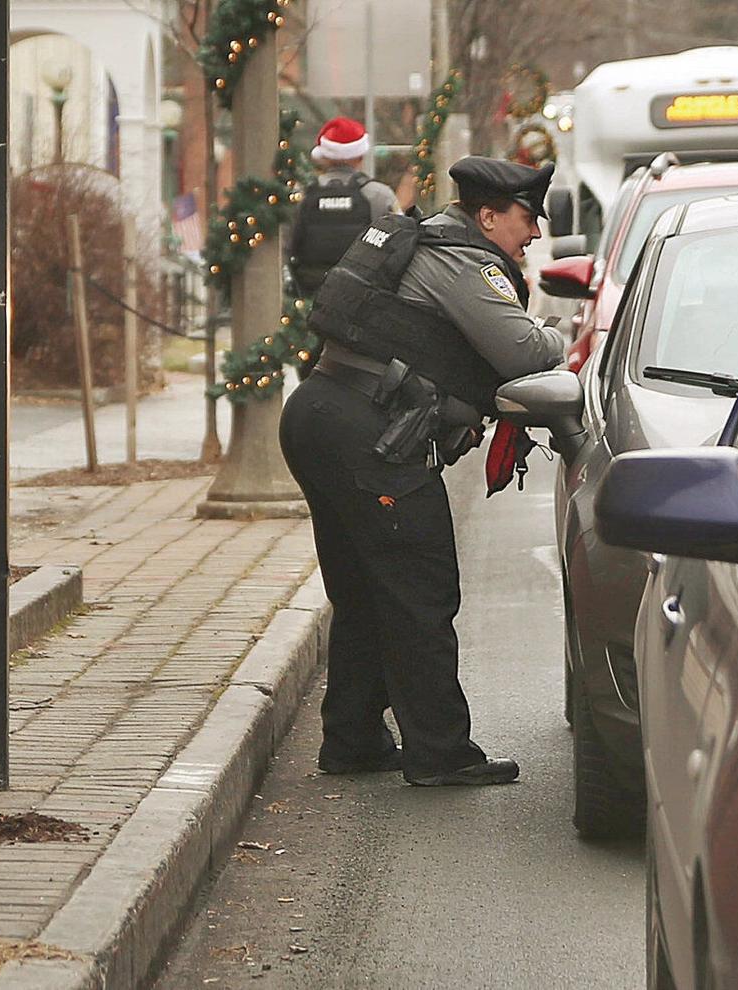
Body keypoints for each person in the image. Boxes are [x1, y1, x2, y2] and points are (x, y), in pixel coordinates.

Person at [279, 156, 564, 786]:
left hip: (324, 414)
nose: (534, 235)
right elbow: (526, 350)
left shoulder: (425, 240)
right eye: (525, 220)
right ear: (488, 216)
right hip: (370, 433)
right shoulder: (463, 261)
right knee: (420, 589)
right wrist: (558, 332)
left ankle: (353, 740)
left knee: (362, 590)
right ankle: (440, 751)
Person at [287, 116, 400, 294]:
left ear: (324, 156)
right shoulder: (380, 195)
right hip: (363, 296)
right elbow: (399, 246)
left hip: (310, 293)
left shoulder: (302, 195)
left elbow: (286, 244)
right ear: (360, 156)